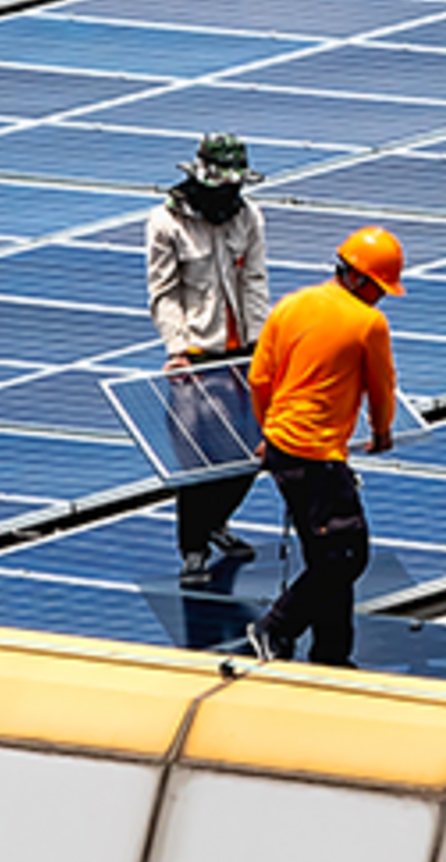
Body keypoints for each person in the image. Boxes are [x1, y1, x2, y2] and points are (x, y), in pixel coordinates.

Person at [245, 225, 404, 667]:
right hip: (316, 455)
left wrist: (269, 431)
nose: (380, 298)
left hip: (283, 448)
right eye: (379, 288)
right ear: (358, 278)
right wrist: (382, 432)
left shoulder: (291, 305)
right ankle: (275, 628)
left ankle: (332, 653)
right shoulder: (368, 323)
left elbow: (259, 378)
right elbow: (382, 388)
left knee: (326, 551)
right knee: (346, 557)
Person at [146, 132, 271, 584]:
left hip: (244, 354)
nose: (231, 195)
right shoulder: (166, 223)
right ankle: (193, 549)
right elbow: (164, 293)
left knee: (256, 449)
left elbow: (254, 281)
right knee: (199, 462)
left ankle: (217, 522)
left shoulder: (248, 217)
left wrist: (262, 344)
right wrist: (177, 350)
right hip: (198, 356)